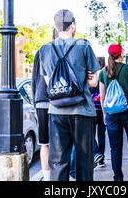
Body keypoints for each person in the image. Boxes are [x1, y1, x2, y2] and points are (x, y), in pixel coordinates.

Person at [38, 9, 101, 181]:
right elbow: (94, 82)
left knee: (58, 162)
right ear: (73, 25)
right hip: (82, 111)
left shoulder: (45, 49)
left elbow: (48, 81)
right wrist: (82, 79)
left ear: (56, 27)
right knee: (84, 161)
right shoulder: (84, 46)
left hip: (57, 112)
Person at [99, 44, 128, 181]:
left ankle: (118, 178)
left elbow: (102, 95)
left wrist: (105, 114)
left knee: (115, 147)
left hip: (112, 113)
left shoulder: (103, 72)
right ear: (121, 54)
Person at [32, 28, 59, 181]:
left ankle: (47, 177)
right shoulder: (64, 50)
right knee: (61, 142)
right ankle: (60, 174)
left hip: (41, 100)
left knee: (45, 143)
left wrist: (36, 99)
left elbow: (35, 77)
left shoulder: (41, 51)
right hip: (59, 101)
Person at [90, 57, 107, 168]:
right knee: (101, 134)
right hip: (102, 108)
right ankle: (101, 160)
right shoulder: (105, 74)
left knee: (90, 134)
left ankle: (96, 153)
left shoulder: (91, 75)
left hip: (91, 109)